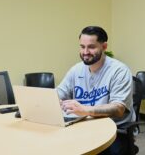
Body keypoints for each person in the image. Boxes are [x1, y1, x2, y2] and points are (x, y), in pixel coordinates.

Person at [57, 26, 135, 155]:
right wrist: (50, 100)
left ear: (104, 47)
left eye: (91, 47)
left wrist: (85, 110)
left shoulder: (119, 70)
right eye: (82, 47)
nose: (85, 52)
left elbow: (118, 109)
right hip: (83, 126)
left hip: (114, 130)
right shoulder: (76, 70)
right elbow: (60, 92)